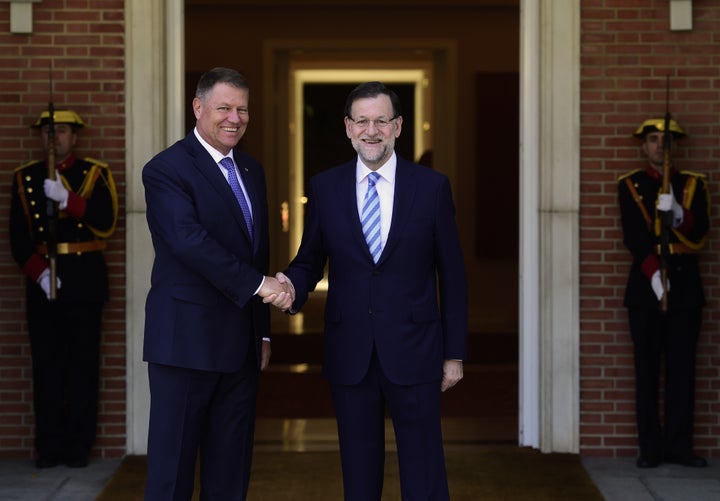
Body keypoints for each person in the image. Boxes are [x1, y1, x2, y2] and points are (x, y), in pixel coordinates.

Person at [275, 81, 467, 500]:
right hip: (351, 351)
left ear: (398, 126)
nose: (371, 129)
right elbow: (310, 259)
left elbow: (452, 274)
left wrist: (454, 353)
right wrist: (288, 284)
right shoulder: (326, 187)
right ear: (347, 127)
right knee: (359, 476)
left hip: (417, 350)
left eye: (381, 120)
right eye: (361, 120)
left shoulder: (432, 187)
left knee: (425, 471)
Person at [141, 67, 292, 500]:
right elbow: (189, 242)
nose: (235, 117)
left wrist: (261, 329)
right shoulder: (167, 169)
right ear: (198, 108)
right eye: (224, 107)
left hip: (241, 348)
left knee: (230, 474)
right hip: (185, 346)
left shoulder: (251, 169)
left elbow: (256, 253)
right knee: (172, 475)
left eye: (243, 109)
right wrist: (261, 286)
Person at [9, 109, 118, 468]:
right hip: (43, 283)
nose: (53, 137)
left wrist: (67, 199)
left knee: (83, 368)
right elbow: (17, 237)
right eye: (47, 132)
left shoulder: (93, 173)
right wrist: (39, 273)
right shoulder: (26, 177)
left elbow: (105, 221)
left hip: (84, 278)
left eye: (61, 131)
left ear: (75, 136)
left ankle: (78, 448)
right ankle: (49, 446)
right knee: (47, 367)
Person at [618, 117, 710, 469]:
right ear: (644, 146)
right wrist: (656, 278)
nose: (660, 146)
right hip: (646, 286)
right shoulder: (631, 185)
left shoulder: (693, 185)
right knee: (646, 370)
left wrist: (677, 214)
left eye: (666, 140)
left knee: (682, 369)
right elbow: (634, 238)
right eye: (654, 139)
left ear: (675, 146)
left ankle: (679, 446)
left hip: (685, 285)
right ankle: (650, 448)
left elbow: (701, 230)